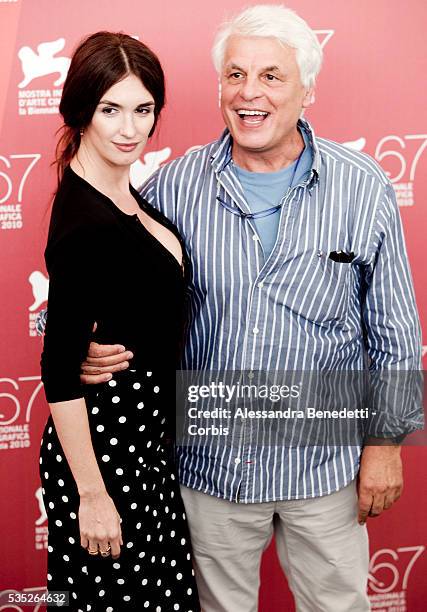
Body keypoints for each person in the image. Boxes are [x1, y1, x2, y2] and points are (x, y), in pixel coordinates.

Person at [44, 6, 422, 612]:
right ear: (220, 86)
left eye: (272, 76)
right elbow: (118, 281)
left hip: (323, 467)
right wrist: (85, 344)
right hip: (210, 468)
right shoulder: (173, 187)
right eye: (236, 75)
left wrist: (384, 446)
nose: (251, 93)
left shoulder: (363, 186)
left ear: (308, 88)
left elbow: (395, 331)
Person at [39, 31, 200, 611]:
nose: (130, 128)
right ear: (82, 111)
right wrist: (93, 495)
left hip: (142, 451)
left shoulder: (120, 192)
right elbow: (59, 372)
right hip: (106, 460)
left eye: (143, 109)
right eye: (111, 109)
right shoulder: (86, 223)